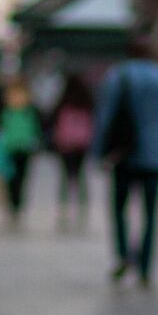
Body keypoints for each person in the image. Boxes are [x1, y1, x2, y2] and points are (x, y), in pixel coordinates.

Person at [93, 36, 158, 289]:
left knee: (119, 208)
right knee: (151, 213)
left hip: (124, 154)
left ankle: (123, 254)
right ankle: (145, 265)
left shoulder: (117, 77)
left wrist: (99, 151)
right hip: (156, 155)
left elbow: (106, 116)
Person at [0, 76, 45, 227]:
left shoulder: (29, 111)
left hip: (24, 148)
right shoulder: (7, 111)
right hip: (10, 148)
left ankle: (16, 205)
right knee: (12, 180)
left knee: (20, 179)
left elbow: (38, 128)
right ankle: (13, 206)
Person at [47, 72, 97, 230]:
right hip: (82, 144)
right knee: (80, 176)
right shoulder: (87, 101)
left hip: (65, 144)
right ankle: (82, 211)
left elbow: (51, 120)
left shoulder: (63, 101)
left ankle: (63, 212)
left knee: (65, 177)